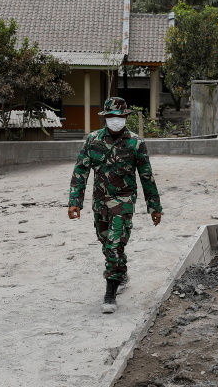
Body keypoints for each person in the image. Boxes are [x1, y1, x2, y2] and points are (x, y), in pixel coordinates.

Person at [67, 97, 162, 313]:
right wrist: (75, 202)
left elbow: (146, 176)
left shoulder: (136, 143)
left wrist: (154, 207)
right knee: (105, 242)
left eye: (118, 116)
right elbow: (80, 171)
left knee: (114, 243)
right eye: (111, 116)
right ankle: (122, 272)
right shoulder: (93, 140)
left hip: (124, 201)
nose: (115, 120)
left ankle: (110, 293)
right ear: (105, 118)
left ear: (125, 117)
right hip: (100, 202)